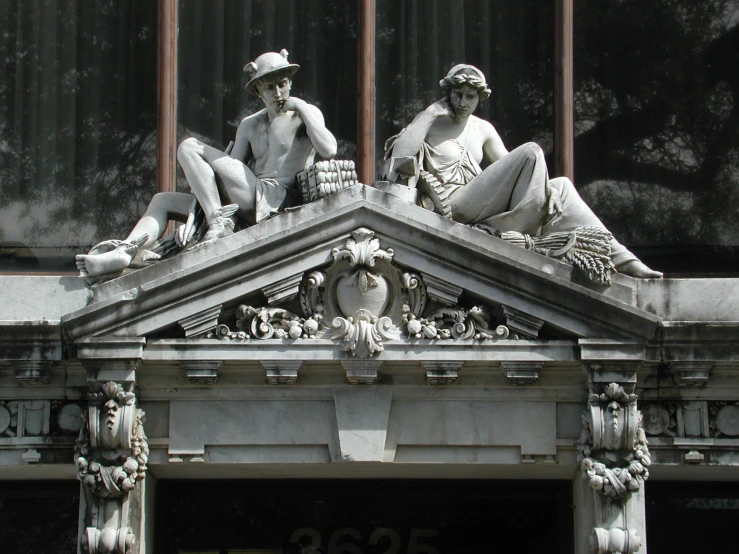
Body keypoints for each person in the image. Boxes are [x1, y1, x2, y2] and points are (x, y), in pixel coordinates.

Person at [76, 49, 337, 278]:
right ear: (258, 91)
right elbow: (224, 179)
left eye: (282, 84)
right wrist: (194, 215)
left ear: (290, 83)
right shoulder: (249, 125)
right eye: (270, 87)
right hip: (248, 196)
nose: (278, 93)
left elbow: (329, 149)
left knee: (190, 146)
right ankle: (126, 251)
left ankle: (216, 223)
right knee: (162, 200)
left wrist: (302, 106)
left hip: (277, 200)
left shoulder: (303, 114)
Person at [385, 64, 662, 279]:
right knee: (532, 151)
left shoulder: (483, 129)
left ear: (480, 98)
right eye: (458, 94)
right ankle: (534, 222)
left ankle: (626, 261)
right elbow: (399, 157)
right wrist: (429, 114)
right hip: (452, 206)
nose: (463, 102)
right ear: (448, 92)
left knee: (562, 186)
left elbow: (511, 170)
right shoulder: (431, 123)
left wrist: (546, 188)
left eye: (471, 97)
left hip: (481, 203)